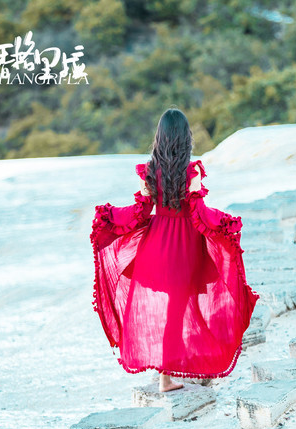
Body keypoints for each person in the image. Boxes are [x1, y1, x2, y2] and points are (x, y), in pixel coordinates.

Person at [90, 108, 259, 392]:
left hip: (156, 247)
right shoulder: (191, 171)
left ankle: (171, 372)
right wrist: (224, 222)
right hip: (185, 249)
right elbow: (199, 213)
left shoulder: (149, 171)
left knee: (173, 310)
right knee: (181, 309)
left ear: (160, 137)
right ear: (186, 137)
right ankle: (168, 377)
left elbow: (140, 212)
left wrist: (111, 218)